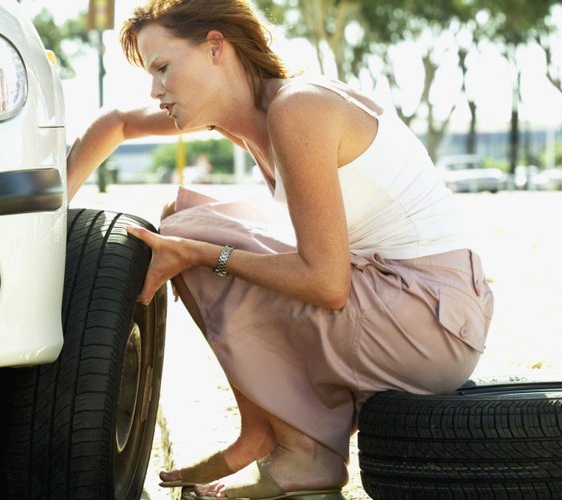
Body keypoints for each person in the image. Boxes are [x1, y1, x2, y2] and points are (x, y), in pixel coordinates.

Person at [66, 1, 495, 498]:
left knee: (193, 233)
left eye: (162, 68)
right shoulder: (246, 113)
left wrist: (202, 256)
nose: (155, 90)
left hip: (427, 322)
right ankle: (267, 432)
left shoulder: (299, 108)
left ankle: (299, 450)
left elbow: (326, 284)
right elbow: (116, 122)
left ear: (214, 48)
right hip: (422, 309)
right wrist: (50, 213)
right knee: (188, 216)